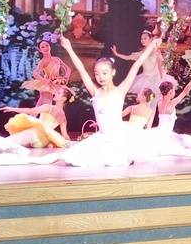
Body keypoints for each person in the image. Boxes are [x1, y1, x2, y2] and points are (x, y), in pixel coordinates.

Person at [57, 36, 159, 167]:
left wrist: (151, 46)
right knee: (74, 159)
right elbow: (81, 70)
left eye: (104, 73)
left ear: (113, 72)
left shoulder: (120, 91)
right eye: (97, 73)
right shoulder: (95, 92)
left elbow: (136, 65)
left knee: (113, 160)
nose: (100, 77)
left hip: (118, 138)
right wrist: (69, 48)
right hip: (102, 137)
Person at [2, 88, 71, 148]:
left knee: (6, 143)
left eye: (58, 93)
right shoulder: (63, 116)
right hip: (44, 141)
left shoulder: (49, 107)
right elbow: (65, 135)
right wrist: (71, 144)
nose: (55, 94)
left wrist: (13, 109)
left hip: (35, 134)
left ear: (63, 99)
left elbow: (30, 111)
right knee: (13, 145)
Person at [155, 74, 191, 147]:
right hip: (165, 135)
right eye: (174, 90)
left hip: (160, 132)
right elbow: (185, 91)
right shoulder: (171, 103)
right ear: (170, 92)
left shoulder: (159, 102)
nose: (175, 92)